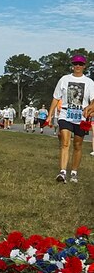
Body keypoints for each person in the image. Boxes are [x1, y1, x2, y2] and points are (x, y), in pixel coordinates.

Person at [48, 54, 94, 184]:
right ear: (72, 65)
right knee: (65, 142)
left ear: (84, 66)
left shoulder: (89, 82)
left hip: (81, 117)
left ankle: (74, 172)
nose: (77, 66)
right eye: (75, 64)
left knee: (78, 145)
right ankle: (62, 172)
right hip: (65, 115)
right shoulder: (64, 79)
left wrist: (90, 107)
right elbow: (56, 98)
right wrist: (50, 114)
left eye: (80, 64)